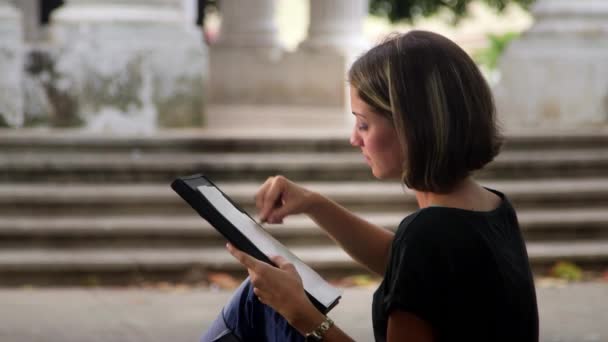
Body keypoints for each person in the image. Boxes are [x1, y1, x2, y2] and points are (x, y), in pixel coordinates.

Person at [201, 30, 539, 342]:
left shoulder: (429, 234)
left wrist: (299, 311)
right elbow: (410, 267)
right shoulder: (491, 207)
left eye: (363, 124)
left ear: (411, 127)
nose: (353, 138)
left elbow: (418, 259)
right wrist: (314, 204)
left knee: (252, 302)